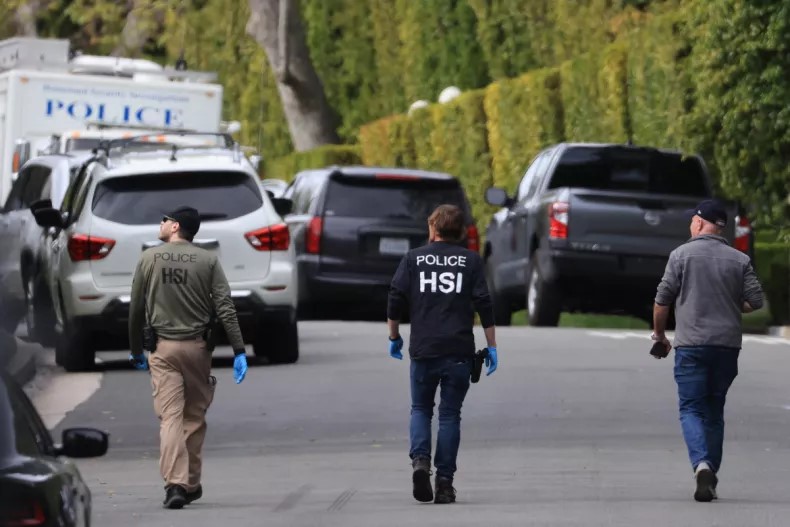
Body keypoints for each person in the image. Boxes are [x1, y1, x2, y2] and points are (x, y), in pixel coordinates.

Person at [128, 206, 249, 509]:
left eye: (165, 219)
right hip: (198, 349)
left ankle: (175, 484)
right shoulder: (208, 260)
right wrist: (239, 350)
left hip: (162, 349)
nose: (161, 222)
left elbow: (136, 309)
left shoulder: (148, 259)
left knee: (170, 417)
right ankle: (191, 483)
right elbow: (225, 307)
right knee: (193, 417)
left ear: (175, 226)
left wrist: (135, 348)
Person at [652, 199, 764, 502]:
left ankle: (701, 464)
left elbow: (662, 300)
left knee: (691, 408)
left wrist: (660, 335)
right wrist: (729, 303)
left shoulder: (680, 255)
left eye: (692, 220)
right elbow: (755, 301)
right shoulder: (739, 259)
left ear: (700, 222)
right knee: (714, 410)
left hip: (692, 346)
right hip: (727, 347)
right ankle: (710, 473)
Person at [387, 204, 498, 504]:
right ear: (460, 231)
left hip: (424, 350)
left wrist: (394, 336)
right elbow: (484, 304)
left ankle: (420, 462)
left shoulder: (413, 259)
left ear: (433, 227)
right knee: (450, 415)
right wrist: (492, 346)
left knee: (421, 409)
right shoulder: (470, 261)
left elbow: (396, 296)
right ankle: (445, 484)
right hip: (459, 351)